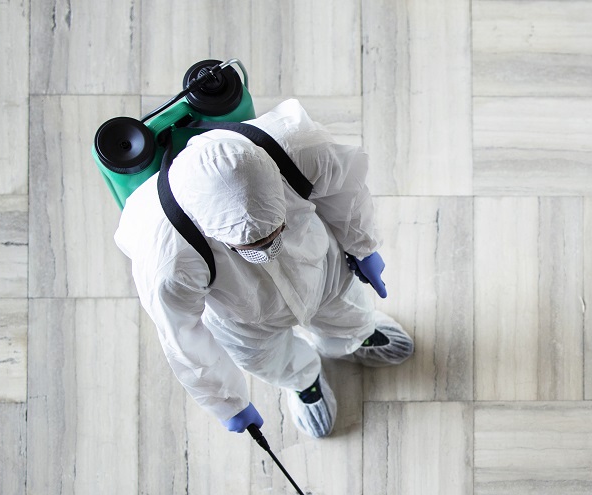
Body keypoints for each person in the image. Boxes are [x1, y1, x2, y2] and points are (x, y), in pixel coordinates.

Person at [114, 99, 413, 439]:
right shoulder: (165, 255)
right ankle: (303, 380)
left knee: (348, 310)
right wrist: (228, 402)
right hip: (241, 316)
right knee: (268, 359)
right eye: (252, 246)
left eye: (276, 231)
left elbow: (346, 189)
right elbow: (181, 337)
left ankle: (355, 337)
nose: (270, 249)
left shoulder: (295, 146)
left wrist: (362, 246)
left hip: (319, 267)